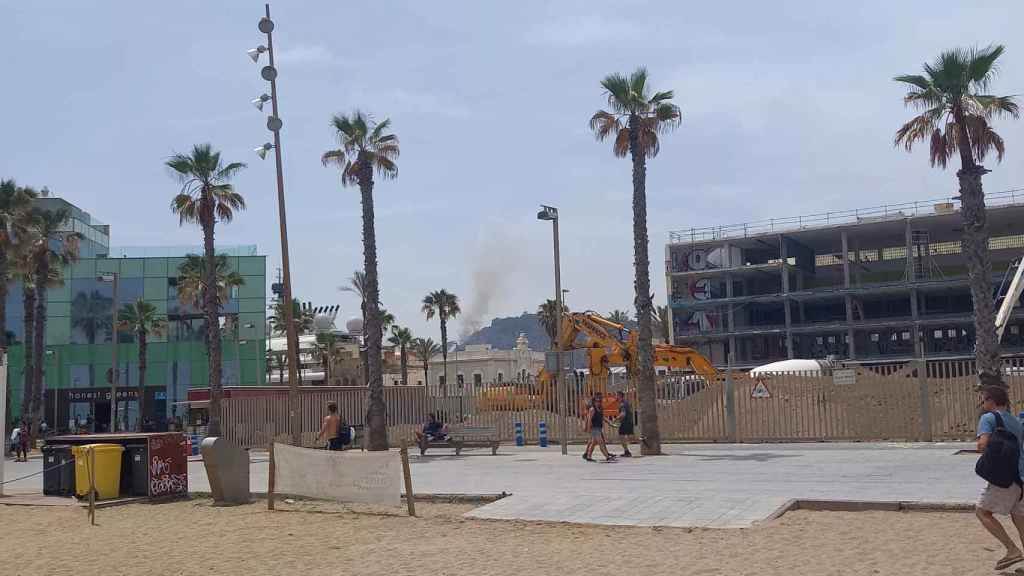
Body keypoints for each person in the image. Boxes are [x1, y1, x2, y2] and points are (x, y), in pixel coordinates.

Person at [975, 385, 1024, 571]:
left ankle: (1012, 550)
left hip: (1004, 477)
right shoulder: (1016, 421)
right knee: (1020, 518)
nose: (983, 404)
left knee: (982, 512)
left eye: (983, 400)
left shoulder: (988, 418)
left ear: (991, 401)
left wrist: (981, 446)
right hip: (1021, 475)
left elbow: (983, 444)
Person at [583, 393, 615, 462]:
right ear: (594, 402)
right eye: (597, 401)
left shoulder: (600, 408)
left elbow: (603, 417)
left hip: (599, 428)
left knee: (593, 443)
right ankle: (607, 457)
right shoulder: (592, 409)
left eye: (600, 401)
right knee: (601, 442)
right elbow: (589, 419)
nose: (598, 402)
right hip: (594, 428)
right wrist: (588, 429)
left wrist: (609, 422)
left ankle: (588, 456)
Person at [614, 391, 634, 458]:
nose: (615, 397)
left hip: (625, 422)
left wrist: (616, 419)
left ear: (619, 396)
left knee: (622, 437)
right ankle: (627, 451)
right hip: (628, 422)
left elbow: (623, 414)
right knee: (629, 437)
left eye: (616, 395)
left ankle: (627, 451)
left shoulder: (622, 404)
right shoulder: (625, 403)